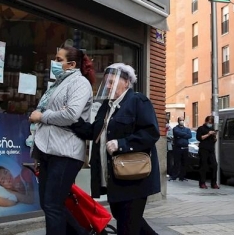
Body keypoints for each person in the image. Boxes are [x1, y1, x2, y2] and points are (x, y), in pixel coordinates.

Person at [70, 63, 160, 235]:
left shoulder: (138, 101)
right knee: (127, 220)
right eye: (107, 83)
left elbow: (151, 133)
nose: (108, 86)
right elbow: (94, 132)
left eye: (112, 82)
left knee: (127, 226)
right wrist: (71, 120)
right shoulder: (106, 106)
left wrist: (122, 144)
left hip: (135, 177)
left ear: (126, 82)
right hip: (114, 178)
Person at [28, 41, 94, 235]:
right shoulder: (58, 84)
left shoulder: (80, 83)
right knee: (48, 204)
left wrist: (42, 116)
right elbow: (59, 113)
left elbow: (71, 114)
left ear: (71, 65)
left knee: (52, 204)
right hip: (48, 150)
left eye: (59, 60)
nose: (54, 62)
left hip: (66, 152)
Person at [196, 116, 220, 189]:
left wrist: (214, 136)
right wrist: (208, 134)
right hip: (203, 149)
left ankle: (214, 183)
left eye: (211, 122)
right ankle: (202, 183)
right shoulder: (201, 128)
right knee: (203, 166)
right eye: (209, 122)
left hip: (211, 149)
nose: (210, 124)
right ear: (206, 121)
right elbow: (199, 138)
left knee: (214, 165)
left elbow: (214, 140)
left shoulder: (212, 129)